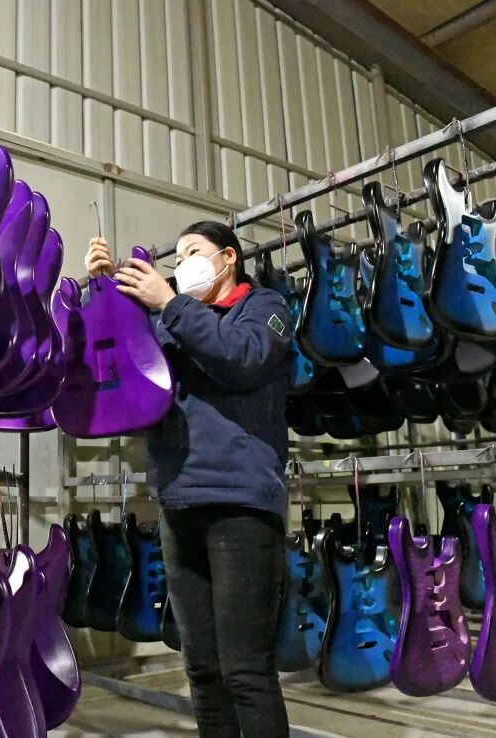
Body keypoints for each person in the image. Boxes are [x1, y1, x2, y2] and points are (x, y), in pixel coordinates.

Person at [85, 221, 292, 738]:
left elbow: (241, 357)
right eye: (176, 260)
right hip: (179, 501)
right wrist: (105, 290)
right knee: (201, 667)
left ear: (229, 257)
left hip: (241, 504)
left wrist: (170, 303)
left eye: (193, 252)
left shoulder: (265, 309)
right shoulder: (171, 322)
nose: (183, 266)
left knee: (246, 670)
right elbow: (124, 365)